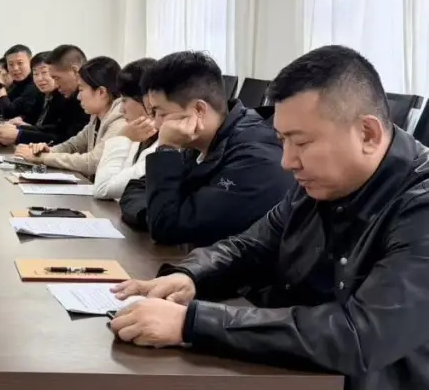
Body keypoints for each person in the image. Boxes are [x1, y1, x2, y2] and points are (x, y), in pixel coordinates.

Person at [110, 45, 429, 390]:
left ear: (368, 133)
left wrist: (193, 323)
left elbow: (358, 335)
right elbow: (254, 245)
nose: (286, 161)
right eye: (282, 141)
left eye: (300, 143)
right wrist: (190, 277)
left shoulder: (420, 208)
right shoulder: (321, 183)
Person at [119, 51, 293, 247]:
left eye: (160, 113)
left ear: (199, 110)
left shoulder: (255, 159)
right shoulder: (198, 143)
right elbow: (134, 190)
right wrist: (154, 213)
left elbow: (167, 228)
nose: (157, 124)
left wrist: (167, 149)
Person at [16, 56, 125, 177]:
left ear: (101, 92)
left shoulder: (120, 122)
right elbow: (72, 145)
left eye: (81, 89)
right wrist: (45, 151)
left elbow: (92, 163)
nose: (78, 97)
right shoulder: (96, 118)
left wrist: (44, 158)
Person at [92, 58, 160, 200]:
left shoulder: (160, 146)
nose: (121, 109)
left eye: (125, 100)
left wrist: (120, 138)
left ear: (147, 100)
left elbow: (102, 189)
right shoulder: (139, 135)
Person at [0, 51, 62, 145]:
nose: (39, 78)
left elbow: (58, 134)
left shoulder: (63, 96)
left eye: (44, 72)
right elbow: (31, 117)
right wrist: (21, 120)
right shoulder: (41, 93)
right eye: (36, 74)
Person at [0, 44, 40, 119]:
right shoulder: (17, 83)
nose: (15, 68)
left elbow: (8, 114)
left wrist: (0, 85)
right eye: (11, 64)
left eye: (20, 63)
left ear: (31, 62)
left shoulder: (35, 85)